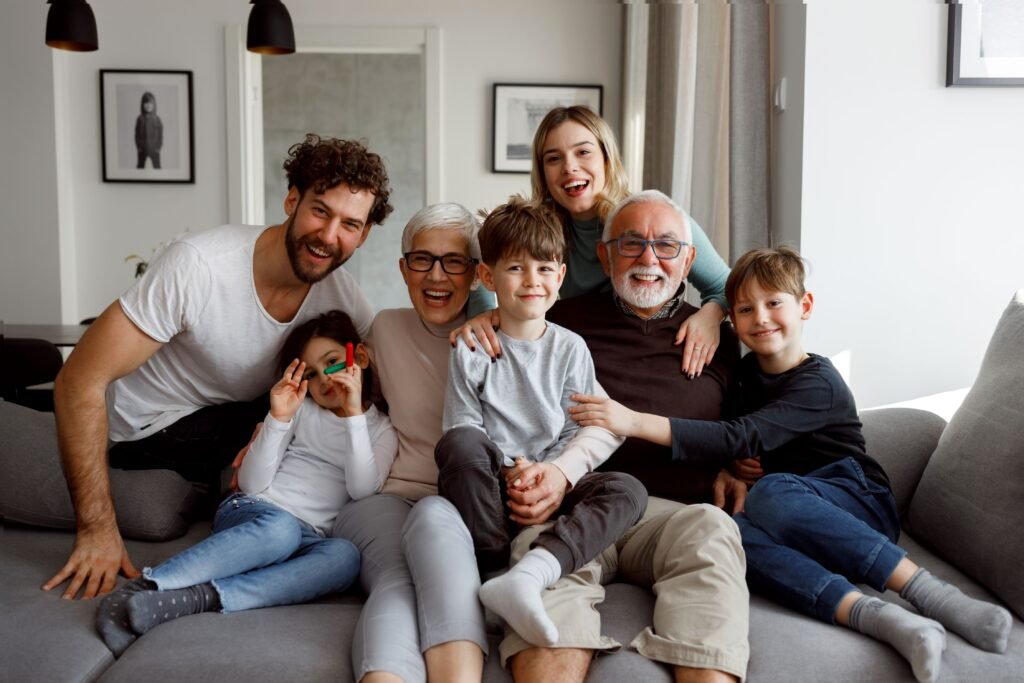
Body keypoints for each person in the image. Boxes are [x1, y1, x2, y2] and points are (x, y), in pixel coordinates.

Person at [572, 246, 1013, 683]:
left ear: (805, 306)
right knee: (727, 530)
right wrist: (726, 469)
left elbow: (744, 434)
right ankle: (880, 619)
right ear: (734, 322)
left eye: (774, 303)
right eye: (745, 309)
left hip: (855, 501)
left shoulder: (818, 383)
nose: (761, 318)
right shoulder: (743, 378)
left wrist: (632, 420)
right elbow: (729, 434)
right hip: (785, 522)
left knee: (773, 492)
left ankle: (932, 595)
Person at [42, 133, 392, 600]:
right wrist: (96, 531)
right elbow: (77, 381)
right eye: (321, 211)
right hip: (147, 431)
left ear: (364, 234)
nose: (330, 236)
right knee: (285, 409)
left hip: (227, 421)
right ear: (292, 199)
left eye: (350, 224)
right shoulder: (200, 266)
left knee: (323, 401)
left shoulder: (340, 294)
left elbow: (389, 371)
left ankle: (230, 573)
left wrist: (485, 326)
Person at [501, 190, 749, 683]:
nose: (649, 259)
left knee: (714, 531)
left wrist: (740, 467)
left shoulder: (721, 339)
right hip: (576, 503)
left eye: (666, 245)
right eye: (632, 243)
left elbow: (746, 427)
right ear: (604, 253)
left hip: (673, 515)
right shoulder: (557, 323)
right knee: (542, 564)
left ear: (689, 259)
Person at [96, 310, 396, 657]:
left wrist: (355, 415)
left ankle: (198, 598)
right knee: (280, 530)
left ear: (358, 357)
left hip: (310, 535)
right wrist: (278, 418)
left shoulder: (381, 430)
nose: (324, 380)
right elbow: (252, 484)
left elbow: (361, 490)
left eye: (332, 362)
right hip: (255, 511)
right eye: (311, 374)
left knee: (345, 557)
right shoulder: (302, 411)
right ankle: (141, 588)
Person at [434, 196, 643, 648]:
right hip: (492, 494)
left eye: (545, 268)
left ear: (561, 276)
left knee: (629, 489)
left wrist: (553, 474)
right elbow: (463, 427)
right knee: (460, 446)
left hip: (554, 489)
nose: (532, 280)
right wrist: (513, 470)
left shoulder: (570, 349)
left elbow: (582, 425)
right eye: (515, 269)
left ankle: (532, 571)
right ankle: (493, 570)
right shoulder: (472, 346)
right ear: (488, 277)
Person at [326, 203, 488, 683]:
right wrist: (268, 425)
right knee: (398, 577)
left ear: (477, 274)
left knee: (434, 531)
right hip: (389, 497)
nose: (436, 275)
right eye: (422, 259)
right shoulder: (384, 328)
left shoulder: (499, 339)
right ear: (403, 268)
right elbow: (329, 370)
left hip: (464, 508)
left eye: (454, 261)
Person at [457, 105, 730, 378]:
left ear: (606, 158)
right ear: (543, 173)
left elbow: (727, 286)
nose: (569, 167)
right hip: (585, 354)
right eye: (554, 159)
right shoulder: (544, 231)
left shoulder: (652, 219)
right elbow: (484, 260)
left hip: (653, 348)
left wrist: (711, 315)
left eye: (583, 152)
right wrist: (486, 313)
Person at [135, 91, 162, 169]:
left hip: (154, 149)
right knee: (140, 167)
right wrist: (138, 146)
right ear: (142, 104)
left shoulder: (157, 119)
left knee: (157, 167)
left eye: (150, 103)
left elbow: (160, 135)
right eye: (146, 103)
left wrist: (158, 147)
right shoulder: (140, 119)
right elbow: (136, 134)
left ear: (154, 105)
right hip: (142, 149)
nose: (148, 105)